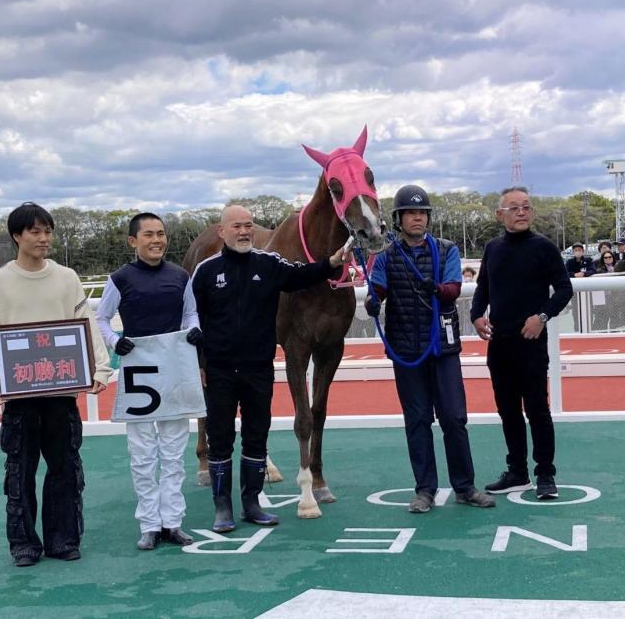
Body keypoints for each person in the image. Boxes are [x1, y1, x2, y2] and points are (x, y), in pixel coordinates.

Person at [191, 204, 351, 532]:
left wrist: (332, 263)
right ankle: (223, 507)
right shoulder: (205, 271)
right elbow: (192, 318)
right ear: (222, 231)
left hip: (258, 368)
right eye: (236, 226)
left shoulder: (269, 263)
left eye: (248, 225)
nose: (244, 231)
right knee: (221, 438)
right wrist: (202, 363)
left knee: (256, 436)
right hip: (220, 369)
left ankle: (251, 503)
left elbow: (301, 276)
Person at [0, 202, 112, 567]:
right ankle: (24, 543)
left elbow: (86, 321)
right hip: (19, 395)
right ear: (17, 236)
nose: (43, 238)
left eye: (47, 231)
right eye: (35, 231)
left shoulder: (67, 278)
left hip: (61, 391)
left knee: (65, 466)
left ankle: (63, 538)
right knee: (19, 471)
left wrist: (100, 368)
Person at [364, 185, 494, 513]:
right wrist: (372, 299)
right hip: (406, 350)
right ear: (399, 219)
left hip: (442, 348)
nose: (417, 218)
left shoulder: (446, 249)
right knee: (417, 420)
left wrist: (434, 288)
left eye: (422, 213)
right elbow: (378, 287)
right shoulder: (385, 254)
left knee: (453, 418)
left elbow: (452, 289)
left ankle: (465, 486)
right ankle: (425, 490)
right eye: (411, 213)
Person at [95, 212, 203, 551]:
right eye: (149, 235)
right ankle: (149, 524)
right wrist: (115, 342)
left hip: (174, 367)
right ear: (133, 241)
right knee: (142, 453)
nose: (156, 240)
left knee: (173, 450)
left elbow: (190, 312)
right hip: (138, 370)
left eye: (161, 234)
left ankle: (173, 521)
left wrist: (194, 328)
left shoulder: (180, 276)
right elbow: (100, 318)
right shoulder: (120, 278)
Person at [470, 187, 572, 500]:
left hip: (531, 344)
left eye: (526, 207)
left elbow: (564, 290)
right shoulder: (493, 248)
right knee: (508, 411)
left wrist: (541, 317)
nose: (521, 212)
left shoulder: (544, 247)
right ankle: (517, 472)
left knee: (538, 410)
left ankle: (545, 474)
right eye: (514, 208)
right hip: (499, 344)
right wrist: (475, 316)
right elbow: (483, 289)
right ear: (500, 215)